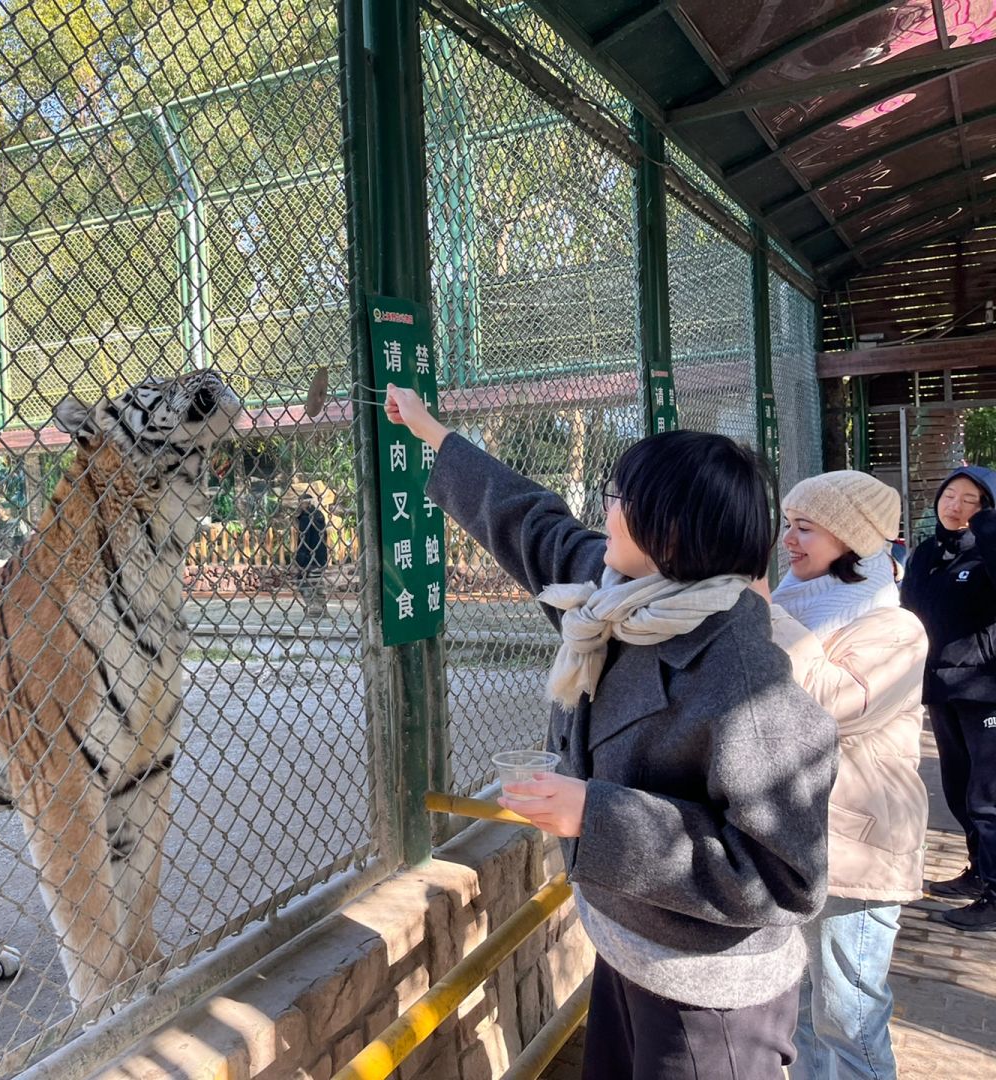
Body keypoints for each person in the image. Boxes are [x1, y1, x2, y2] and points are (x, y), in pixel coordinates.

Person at [385, 386, 836, 1080]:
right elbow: (528, 521)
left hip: (710, 995)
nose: (604, 507)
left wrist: (595, 814)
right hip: (630, 946)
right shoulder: (618, 599)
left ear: (672, 531)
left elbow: (783, 878)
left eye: (617, 495)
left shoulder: (746, 677)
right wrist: (430, 431)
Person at [765, 472, 927, 1080]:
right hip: (800, 839)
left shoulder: (896, 628)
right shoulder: (795, 601)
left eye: (805, 528)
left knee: (848, 1018)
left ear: (854, 542)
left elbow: (828, 703)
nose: (789, 541)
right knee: (804, 1015)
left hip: (854, 851)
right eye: (787, 526)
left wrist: (764, 617)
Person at [900, 465, 996, 930]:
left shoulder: (988, 555)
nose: (955, 506)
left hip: (986, 693)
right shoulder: (927, 553)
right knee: (960, 791)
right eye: (949, 495)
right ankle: (979, 874)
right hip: (941, 689)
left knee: (988, 795)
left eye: (971, 500)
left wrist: (988, 529)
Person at [294, 490, 330, 621]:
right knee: (317, 582)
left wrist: (300, 560)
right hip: (320, 556)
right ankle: (320, 608)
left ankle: (315, 608)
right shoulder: (319, 515)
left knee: (303, 582)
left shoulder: (306, 518)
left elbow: (304, 541)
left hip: (309, 557)